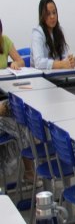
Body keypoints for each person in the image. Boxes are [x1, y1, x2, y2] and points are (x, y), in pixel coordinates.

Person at [0, 18, 36, 184]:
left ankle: (28, 172)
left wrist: (15, 63)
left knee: (22, 121)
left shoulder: (5, 41)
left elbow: (21, 60)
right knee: (20, 125)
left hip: (4, 96)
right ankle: (28, 172)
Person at [31, 0, 75, 70]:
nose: (52, 17)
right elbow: (38, 63)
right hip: (41, 78)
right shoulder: (37, 33)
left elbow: (64, 57)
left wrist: (70, 61)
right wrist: (61, 64)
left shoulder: (59, 30)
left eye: (54, 13)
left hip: (58, 75)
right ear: (42, 16)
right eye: (48, 14)